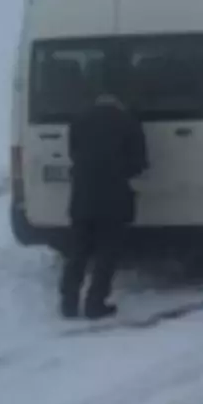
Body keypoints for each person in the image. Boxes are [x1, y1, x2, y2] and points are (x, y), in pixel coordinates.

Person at [62, 93, 147, 319]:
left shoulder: (79, 120)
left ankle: (68, 303)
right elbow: (139, 164)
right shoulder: (128, 122)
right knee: (107, 253)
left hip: (82, 195)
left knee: (78, 251)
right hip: (113, 197)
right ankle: (95, 303)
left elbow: (73, 153)